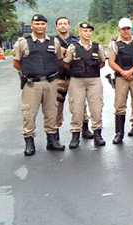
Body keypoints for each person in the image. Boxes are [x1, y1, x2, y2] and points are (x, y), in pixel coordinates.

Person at [14, 14, 65, 155]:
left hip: (50, 82)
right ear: (32, 26)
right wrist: (30, 72)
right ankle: (29, 143)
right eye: (37, 24)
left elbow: (59, 60)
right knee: (29, 113)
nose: (40, 26)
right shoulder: (23, 42)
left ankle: (52, 141)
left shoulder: (54, 42)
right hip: (32, 84)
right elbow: (16, 63)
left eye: (43, 24)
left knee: (51, 112)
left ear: (46, 26)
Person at [63, 22, 106, 148]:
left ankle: (97, 134)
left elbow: (102, 62)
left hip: (94, 80)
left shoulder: (97, 47)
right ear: (79, 32)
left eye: (89, 31)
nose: (87, 33)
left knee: (96, 108)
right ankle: (75, 134)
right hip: (77, 80)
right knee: (76, 109)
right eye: (84, 31)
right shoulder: (73, 47)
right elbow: (66, 63)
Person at [54, 16, 85, 135]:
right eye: (60, 24)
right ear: (56, 26)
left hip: (74, 77)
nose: (63, 25)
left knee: (80, 103)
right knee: (56, 104)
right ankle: (54, 130)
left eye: (65, 23)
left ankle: (84, 127)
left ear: (69, 25)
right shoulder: (52, 41)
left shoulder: (76, 41)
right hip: (58, 77)